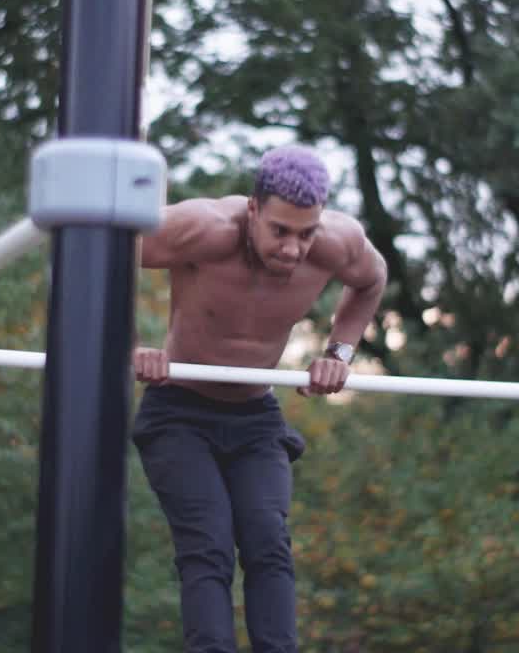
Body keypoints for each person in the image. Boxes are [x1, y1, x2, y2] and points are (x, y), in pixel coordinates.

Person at [131, 145, 388, 652]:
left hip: (255, 415)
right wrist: (129, 346)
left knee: (268, 542)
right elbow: (102, 250)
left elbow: (372, 280)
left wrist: (339, 352)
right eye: (280, 231)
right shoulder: (200, 229)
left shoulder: (339, 244)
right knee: (208, 546)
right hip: (179, 409)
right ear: (253, 209)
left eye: (306, 233)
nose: (294, 249)